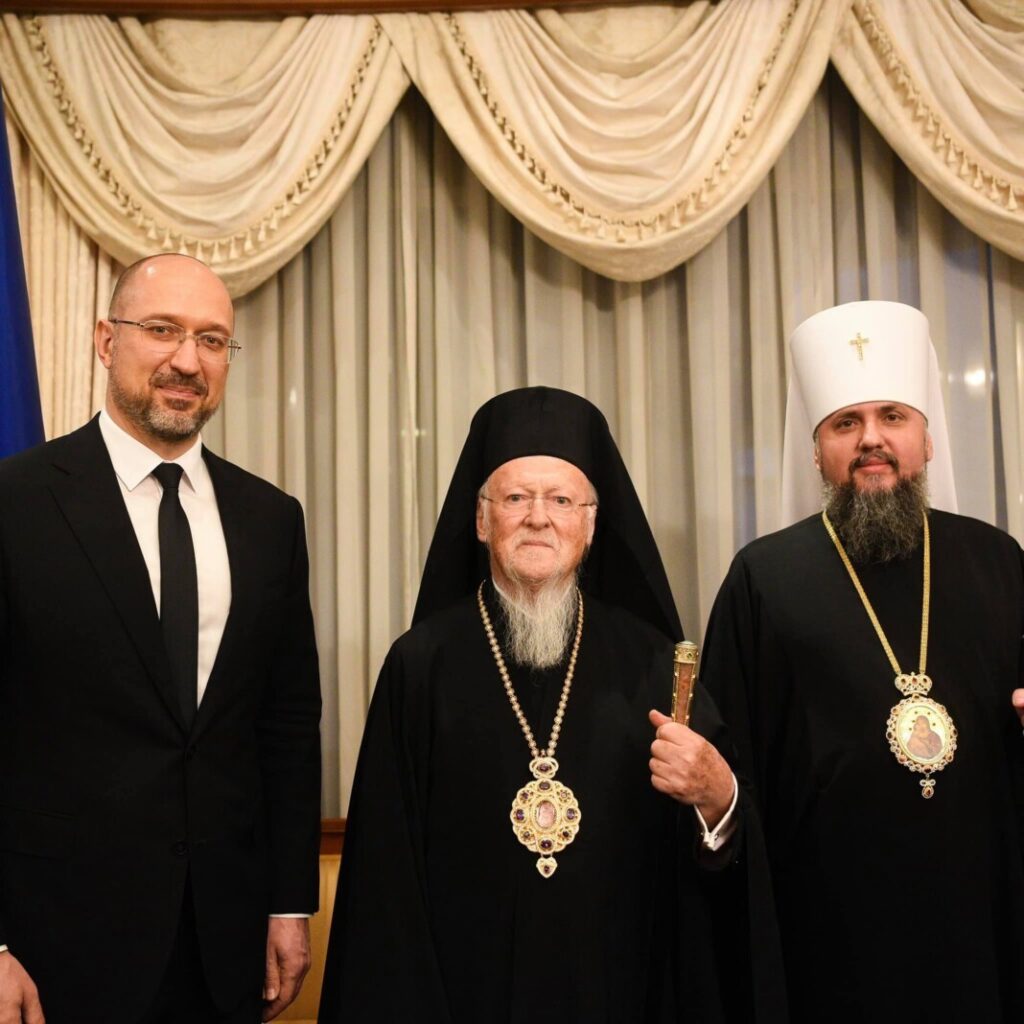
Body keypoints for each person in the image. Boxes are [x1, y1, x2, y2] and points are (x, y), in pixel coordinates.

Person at [319, 386, 785, 1024]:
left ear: (591, 524)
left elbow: (720, 845)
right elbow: (385, 881)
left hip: (624, 989)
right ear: (482, 520)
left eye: (561, 499)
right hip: (464, 993)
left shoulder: (654, 663)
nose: (538, 517)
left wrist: (716, 792)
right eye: (516, 498)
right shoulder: (419, 665)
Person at [0, 254, 322, 1024]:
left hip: (224, 945)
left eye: (212, 340)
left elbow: (284, 726)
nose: (187, 360)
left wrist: (288, 903)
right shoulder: (14, 505)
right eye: (162, 330)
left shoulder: (271, 521)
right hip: (51, 951)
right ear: (106, 341)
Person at [701, 300, 1024, 1022]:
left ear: (927, 439)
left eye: (892, 417)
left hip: (983, 925)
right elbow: (731, 777)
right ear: (816, 451)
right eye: (846, 423)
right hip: (831, 940)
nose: (871, 440)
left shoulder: (998, 562)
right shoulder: (764, 579)